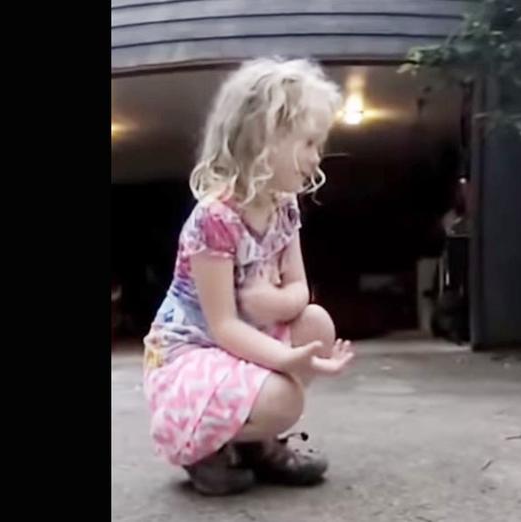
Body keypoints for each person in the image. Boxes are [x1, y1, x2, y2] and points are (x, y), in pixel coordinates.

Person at [141, 58, 355, 496]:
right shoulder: (214, 218)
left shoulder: (284, 207)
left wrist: (272, 304)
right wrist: (284, 361)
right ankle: (202, 447)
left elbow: (299, 289)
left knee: (316, 323)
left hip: (242, 341)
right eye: (309, 142)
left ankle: (256, 442)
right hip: (192, 354)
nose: (317, 157)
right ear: (264, 138)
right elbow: (222, 327)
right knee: (286, 400)